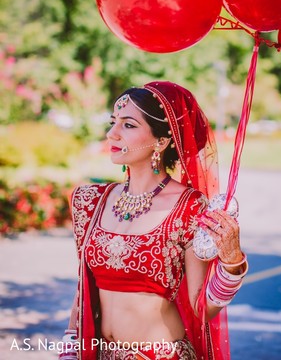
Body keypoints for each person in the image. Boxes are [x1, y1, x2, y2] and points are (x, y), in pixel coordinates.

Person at [60, 81, 248, 360]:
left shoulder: (188, 206)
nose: (112, 134)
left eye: (128, 125)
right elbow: (84, 289)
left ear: (162, 141)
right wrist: (70, 349)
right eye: (114, 122)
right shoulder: (90, 201)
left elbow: (202, 307)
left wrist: (232, 263)